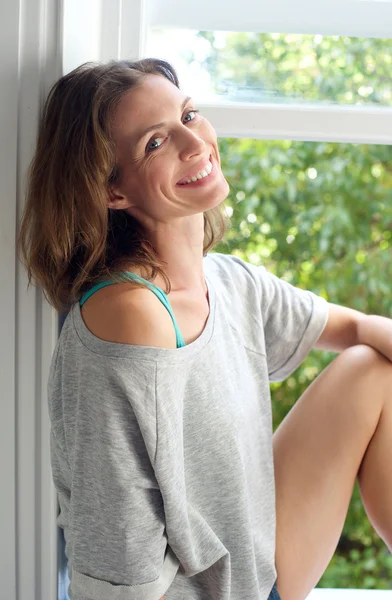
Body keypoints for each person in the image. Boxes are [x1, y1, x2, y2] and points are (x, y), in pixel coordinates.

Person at [17, 58, 392, 600]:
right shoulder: (130, 315)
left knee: (371, 369)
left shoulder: (228, 280)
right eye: (154, 143)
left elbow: (359, 327)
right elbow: (117, 547)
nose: (193, 143)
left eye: (189, 115)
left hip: (255, 570)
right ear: (112, 191)